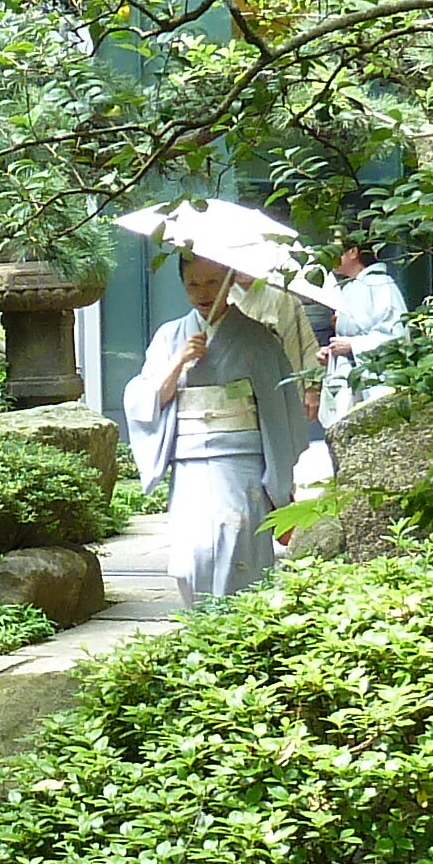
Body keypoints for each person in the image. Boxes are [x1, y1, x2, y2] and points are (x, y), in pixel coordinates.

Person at [123, 248, 313, 608]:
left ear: (229, 280)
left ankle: (236, 637)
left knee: (236, 546)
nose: (203, 292)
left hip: (241, 462)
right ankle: (201, 628)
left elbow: (278, 411)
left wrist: (280, 484)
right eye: (192, 284)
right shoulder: (170, 336)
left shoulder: (258, 338)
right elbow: (143, 401)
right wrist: (178, 363)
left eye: (212, 281)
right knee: (190, 557)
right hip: (190, 461)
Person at [315, 240, 407, 431]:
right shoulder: (349, 288)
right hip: (351, 377)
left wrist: (352, 346)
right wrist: (332, 352)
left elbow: (395, 335)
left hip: (378, 377)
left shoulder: (381, 284)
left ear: (353, 252)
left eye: (335, 252)